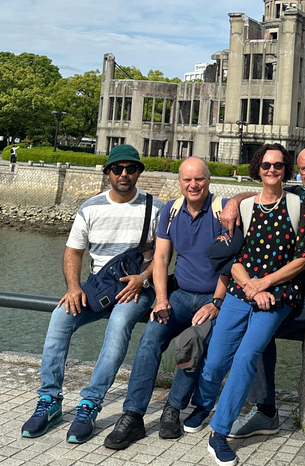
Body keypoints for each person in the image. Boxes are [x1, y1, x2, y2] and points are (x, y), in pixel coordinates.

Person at [20, 145, 164, 444]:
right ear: (108, 172)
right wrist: (73, 288)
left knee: (119, 326)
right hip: (97, 287)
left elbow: (162, 256)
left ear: (139, 172)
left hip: (137, 288)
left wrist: (143, 278)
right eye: (117, 169)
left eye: (131, 168)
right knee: (60, 318)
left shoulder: (156, 207)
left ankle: (90, 403)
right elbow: (73, 252)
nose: (124, 174)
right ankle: (49, 400)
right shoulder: (90, 208)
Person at [184, 143, 305, 466]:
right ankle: (203, 402)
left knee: (246, 357)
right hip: (242, 292)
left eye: (279, 166)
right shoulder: (244, 208)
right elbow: (233, 258)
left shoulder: (297, 206)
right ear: (258, 169)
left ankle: (219, 432)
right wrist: (251, 287)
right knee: (215, 361)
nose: (272, 171)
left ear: (286, 170)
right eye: (266, 166)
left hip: (278, 296)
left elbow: (301, 260)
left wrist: (265, 285)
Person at [102, 157, 229, 450]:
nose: (193, 185)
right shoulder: (171, 212)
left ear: (208, 180)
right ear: (180, 183)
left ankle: (173, 406)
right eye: (187, 180)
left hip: (212, 297)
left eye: (199, 179)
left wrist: (216, 302)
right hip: (180, 295)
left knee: (191, 342)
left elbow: (232, 261)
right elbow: (160, 258)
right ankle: (132, 414)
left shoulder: (223, 210)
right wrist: (161, 299)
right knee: (149, 340)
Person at [219, 146, 305, 439]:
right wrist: (234, 199)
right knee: (257, 325)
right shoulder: (301, 196)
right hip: (299, 291)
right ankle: (266, 410)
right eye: (304, 168)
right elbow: (266, 192)